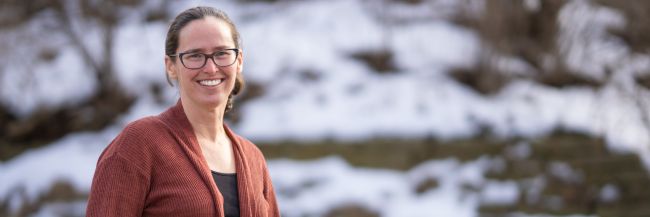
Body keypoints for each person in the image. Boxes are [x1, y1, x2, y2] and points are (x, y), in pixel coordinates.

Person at [86, 6, 280, 217]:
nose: (211, 68)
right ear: (171, 66)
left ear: (239, 61)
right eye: (195, 55)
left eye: (222, 53)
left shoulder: (254, 159)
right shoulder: (138, 145)